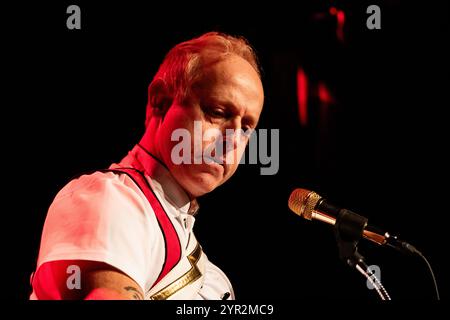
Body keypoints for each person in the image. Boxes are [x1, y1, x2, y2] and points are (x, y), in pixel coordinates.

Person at [29, 32, 265, 300]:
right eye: (218, 113)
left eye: (246, 128)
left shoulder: (204, 265)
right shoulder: (111, 200)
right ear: (160, 100)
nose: (232, 140)